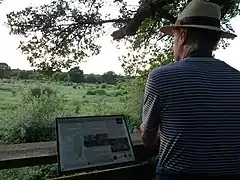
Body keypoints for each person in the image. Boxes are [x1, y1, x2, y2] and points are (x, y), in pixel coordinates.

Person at [139, 0, 240, 179]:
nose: (173, 44)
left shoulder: (160, 77)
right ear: (215, 41)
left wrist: (146, 130)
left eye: (174, 37)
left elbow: (148, 140)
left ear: (183, 36)